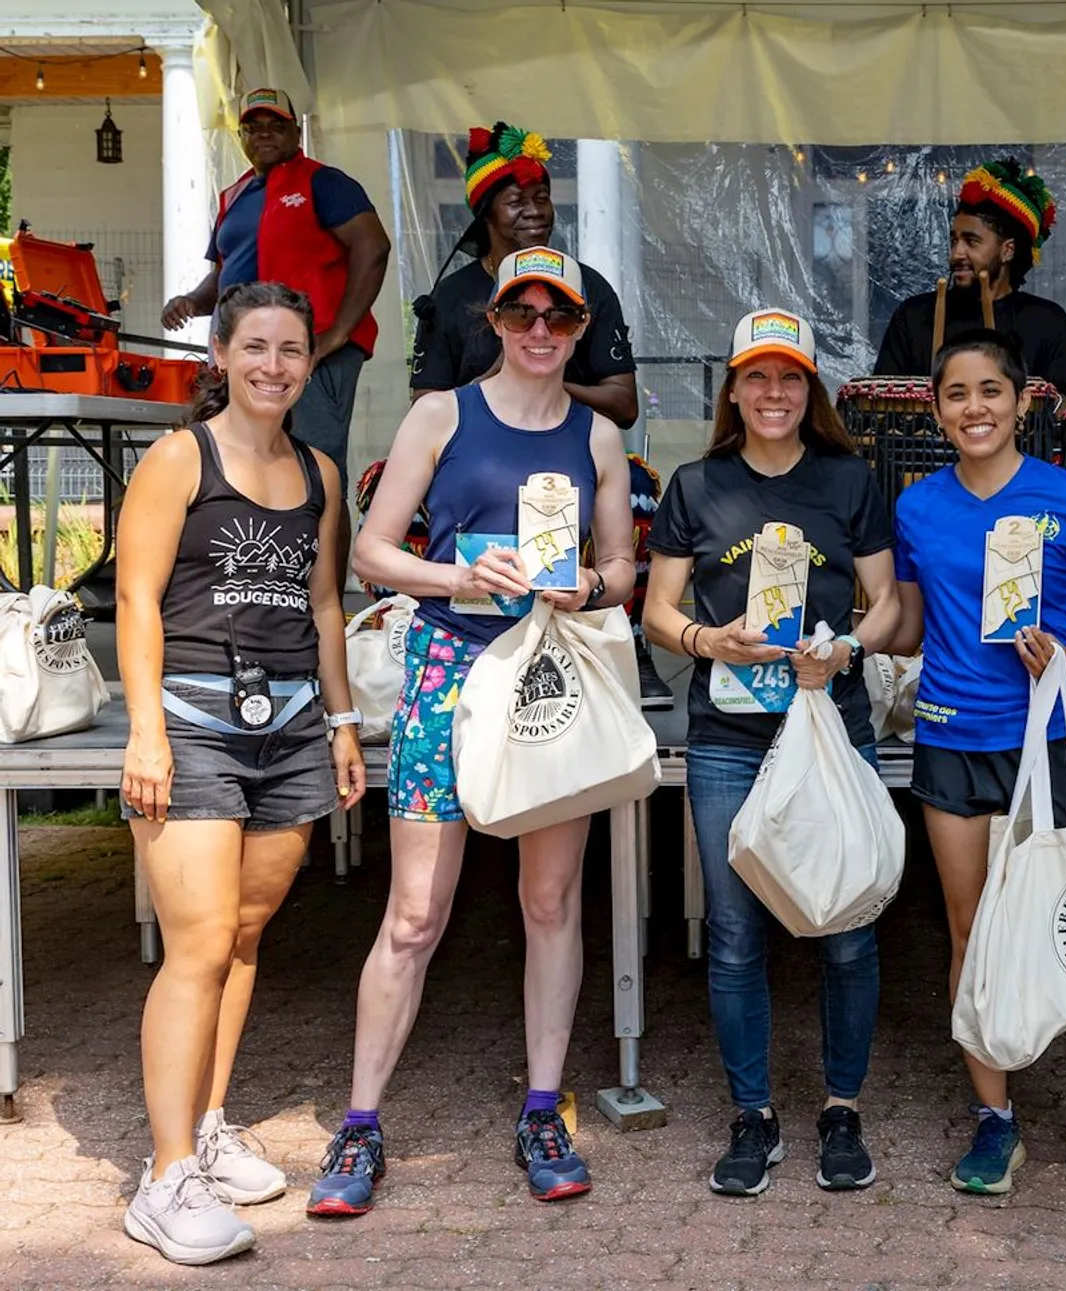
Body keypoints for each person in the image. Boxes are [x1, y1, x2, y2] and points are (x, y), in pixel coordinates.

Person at [310, 246, 637, 1214]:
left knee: (549, 900)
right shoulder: (441, 414)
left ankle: (544, 1108)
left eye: (560, 317)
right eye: (522, 312)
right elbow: (371, 550)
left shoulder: (599, 437)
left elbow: (622, 569)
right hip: (449, 668)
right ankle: (360, 1123)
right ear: (492, 320)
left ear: (580, 330)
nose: (541, 330)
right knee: (413, 913)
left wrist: (590, 583)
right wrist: (457, 577)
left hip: (546, 670)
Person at [116, 281, 367, 1264]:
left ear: (311, 362)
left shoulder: (321, 471)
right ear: (219, 355)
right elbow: (137, 602)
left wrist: (343, 723)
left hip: (294, 724)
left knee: (246, 933)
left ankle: (209, 1126)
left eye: (292, 349)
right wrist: (146, 731)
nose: (273, 365)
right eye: (255, 346)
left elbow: (328, 609)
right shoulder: (183, 458)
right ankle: (165, 1175)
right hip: (191, 723)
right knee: (199, 940)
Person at [887, 327, 1066, 1211]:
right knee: (975, 929)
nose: (975, 409)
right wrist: (836, 641)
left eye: (991, 391)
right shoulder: (918, 505)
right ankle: (994, 1114)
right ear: (936, 408)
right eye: (956, 395)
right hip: (953, 737)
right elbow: (911, 627)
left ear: (1024, 398)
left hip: (1052, 736)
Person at [643, 308, 901, 1197]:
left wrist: (850, 649)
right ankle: (752, 1115)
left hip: (831, 721)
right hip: (728, 739)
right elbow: (657, 613)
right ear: (734, 389)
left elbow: (891, 604)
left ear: (810, 389)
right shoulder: (694, 486)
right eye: (757, 376)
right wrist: (709, 641)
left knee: (848, 924)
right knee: (734, 933)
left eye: (790, 376)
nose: (774, 393)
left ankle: (841, 1109)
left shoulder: (848, 480)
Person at [406, 120, 669, 706]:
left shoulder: (589, 288)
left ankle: (630, 638)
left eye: (543, 196)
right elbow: (424, 402)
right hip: (471, 456)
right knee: (385, 492)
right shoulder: (449, 299)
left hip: (564, 455)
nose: (535, 210)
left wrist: (543, 397)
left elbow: (623, 402)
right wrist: (496, 398)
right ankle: (404, 624)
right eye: (516, 199)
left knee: (640, 490)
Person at [162, 88, 390, 506]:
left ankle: (325, 574)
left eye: (276, 125)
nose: (264, 135)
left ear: (295, 131)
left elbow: (372, 247)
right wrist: (191, 302)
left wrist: (339, 331)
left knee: (315, 467)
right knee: (249, 464)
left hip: (312, 350)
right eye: (253, 127)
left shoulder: (324, 182)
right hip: (249, 352)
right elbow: (224, 272)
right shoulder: (235, 194)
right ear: (242, 136)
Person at [874, 161, 1066, 405]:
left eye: (971, 241)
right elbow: (880, 407)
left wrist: (1037, 405)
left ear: (1007, 250)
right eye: (954, 241)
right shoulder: (914, 317)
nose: (956, 254)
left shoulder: (1047, 322)